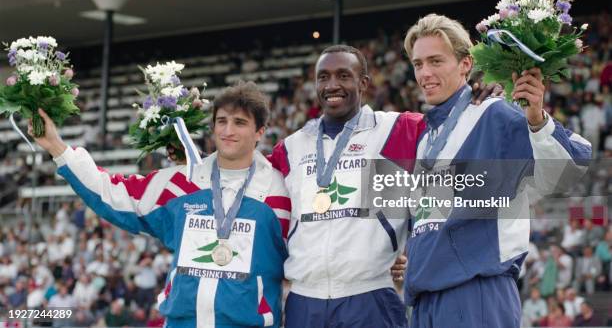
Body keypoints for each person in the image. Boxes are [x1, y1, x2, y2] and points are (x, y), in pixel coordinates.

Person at [269, 44, 501, 327]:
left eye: (343, 75)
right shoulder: (291, 148)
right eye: (323, 77)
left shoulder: (397, 130)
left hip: (371, 296)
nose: (332, 85)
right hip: (304, 301)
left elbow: (450, 127)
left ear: (363, 82)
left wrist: (477, 95)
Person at [31, 82, 290, 328]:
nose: (228, 130)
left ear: (260, 131)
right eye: (221, 121)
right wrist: (57, 147)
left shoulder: (280, 192)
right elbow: (110, 192)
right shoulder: (181, 183)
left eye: (240, 123)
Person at [402, 14, 592, 328]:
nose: (425, 73)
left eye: (436, 61)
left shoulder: (493, 112)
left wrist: (537, 120)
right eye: (418, 64)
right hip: (425, 300)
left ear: (465, 64)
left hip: (475, 294)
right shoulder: (425, 138)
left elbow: (567, 171)